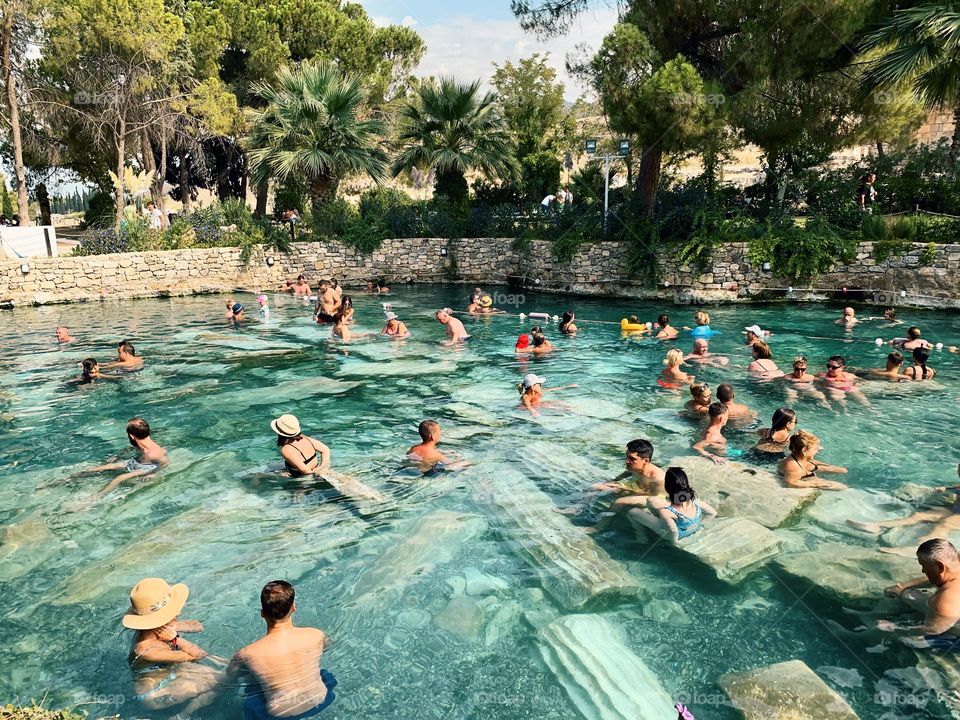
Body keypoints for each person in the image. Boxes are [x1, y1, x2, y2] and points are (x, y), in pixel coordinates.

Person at [227, 580, 336, 720]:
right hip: (322, 699)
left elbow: (230, 678)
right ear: (294, 607)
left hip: (280, 715)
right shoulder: (316, 635)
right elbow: (327, 647)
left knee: (250, 684)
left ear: (262, 613)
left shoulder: (246, 654)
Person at [827, 539, 960, 651]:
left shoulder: (945, 601)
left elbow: (932, 630)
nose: (923, 570)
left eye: (924, 566)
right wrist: (903, 586)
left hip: (953, 636)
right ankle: (870, 615)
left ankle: (852, 637)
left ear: (940, 567)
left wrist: (893, 628)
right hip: (947, 614)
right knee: (907, 594)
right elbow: (932, 580)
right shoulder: (954, 567)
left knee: (885, 630)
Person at [123, 577, 223, 714]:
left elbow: (198, 626)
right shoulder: (147, 650)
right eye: (172, 612)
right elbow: (199, 655)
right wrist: (176, 638)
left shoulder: (158, 628)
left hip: (169, 674)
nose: (179, 613)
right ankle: (183, 715)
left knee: (227, 669)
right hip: (155, 694)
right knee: (221, 680)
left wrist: (175, 625)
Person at [847, 464, 960, 547]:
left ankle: (925, 549)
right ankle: (876, 525)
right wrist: (947, 488)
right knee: (918, 515)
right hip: (955, 510)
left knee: (945, 524)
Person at [587, 439, 667, 533]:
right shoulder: (635, 465)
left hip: (652, 496)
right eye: (627, 457)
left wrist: (623, 488)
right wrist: (613, 481)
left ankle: (598, 527)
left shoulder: (658, 478)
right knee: (595, 486)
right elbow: (627, 473)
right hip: (635, 487)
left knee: (619, 502)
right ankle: (576, 508)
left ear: (646, 460)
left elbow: (651, 494)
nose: (627, 461)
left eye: (632, 459)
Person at [85, 418, 169, 497]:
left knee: (119, 478)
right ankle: (79, 475)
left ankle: (95, 498)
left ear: (132, 436)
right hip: (136, 461)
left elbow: (165, 462)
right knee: (100, 468)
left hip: (146, 467)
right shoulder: (142, 440)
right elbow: (133, 447)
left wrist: (153, 474)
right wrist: (119, 455)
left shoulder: (153, 453)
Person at [646, 467, 718, 544]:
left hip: (679, 535)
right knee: (651, 500)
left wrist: (674, 543)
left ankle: (641, 537)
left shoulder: (665, 511)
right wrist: (699, 525)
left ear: (666, 487)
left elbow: (673, 531)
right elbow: (712, 513)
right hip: (694, 527)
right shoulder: (695, 502)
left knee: (634, 512)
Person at [778, 430, 847, 490]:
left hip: (806, 465)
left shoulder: (800, 457)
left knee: (843, 470)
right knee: (842, 487)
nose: (817, 451)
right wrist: (812, 484)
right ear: (804, 450)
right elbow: (789, 482)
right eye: (815, 449)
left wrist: (827, 465)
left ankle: (824, 468)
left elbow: (809, 461)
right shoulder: (794, 468)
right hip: (804, 474)